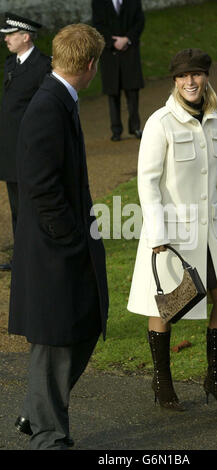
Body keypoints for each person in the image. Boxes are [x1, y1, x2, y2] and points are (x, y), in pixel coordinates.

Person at [127, 48, 217, 412]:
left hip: (213, 231)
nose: (190, 81)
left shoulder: (215, 120)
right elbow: (147, 182)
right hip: (172, 235)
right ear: (175, 81)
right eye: (183, 76)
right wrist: (157, 233)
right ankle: (162, 382)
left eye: (196, 74)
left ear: (206, 76)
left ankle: (215, 379)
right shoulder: (160, 122)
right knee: (166, 304)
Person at [9, 23, 109, 450]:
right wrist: (69, 238)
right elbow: (39, 185)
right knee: (56, 341)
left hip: (66, 241)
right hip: (53, 247)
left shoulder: (58, 97)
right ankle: (48, 436)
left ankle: (36, 412)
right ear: (90, 65)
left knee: (83, 325)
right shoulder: (48, 105)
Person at [0, 13, 51, 271]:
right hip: (10, 148)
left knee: (36, 201)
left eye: (10, 34)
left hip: (31, 147)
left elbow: (45, 110)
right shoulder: (11, 63)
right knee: (17, 203)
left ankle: (40, 253)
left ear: (26, 36)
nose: (6, 38)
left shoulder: (43, 66)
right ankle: (21, 256)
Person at [91, 0, 145, 141]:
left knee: (133, 91)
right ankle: (116, 130)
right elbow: (97, 25)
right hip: (110, 53)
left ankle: (135, 127)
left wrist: (127, 39)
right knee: (112, 94)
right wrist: (112, 41)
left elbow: (139, 22)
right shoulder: (98, 3)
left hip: (130, 51)